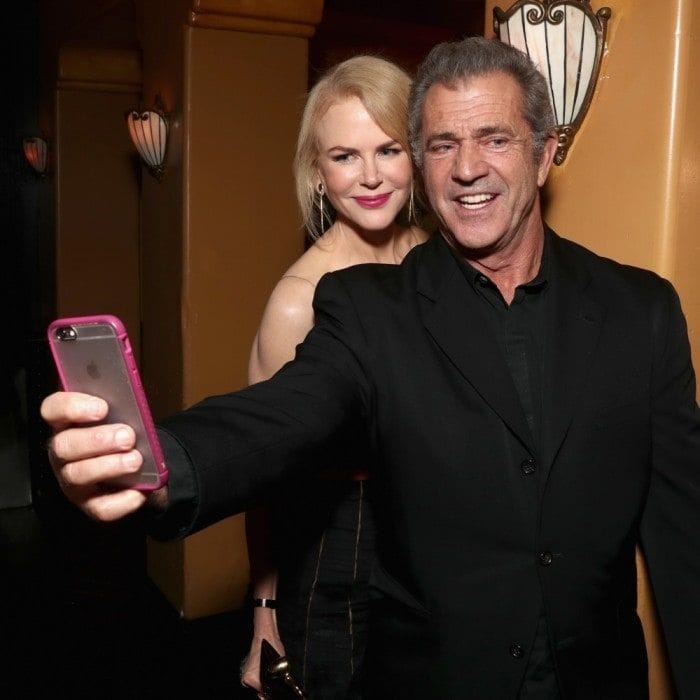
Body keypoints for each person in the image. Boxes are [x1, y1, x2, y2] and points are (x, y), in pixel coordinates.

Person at [42, 36, 700, 698]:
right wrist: (156, 462)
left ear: (545, 152)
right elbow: (283, 415)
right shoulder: (367, 307)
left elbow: (683, 530)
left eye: (495, 139)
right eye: (442, 145)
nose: (467, 168)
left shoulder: (639, 310)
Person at [240, 55, 426, 697]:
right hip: (334, 551)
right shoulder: (298, 299)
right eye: (345, 156)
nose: (370, 176)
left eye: (389, 148)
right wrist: (263, 617)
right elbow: (261, 470)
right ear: (318, 173)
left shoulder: (439, 262)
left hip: (429, 540)